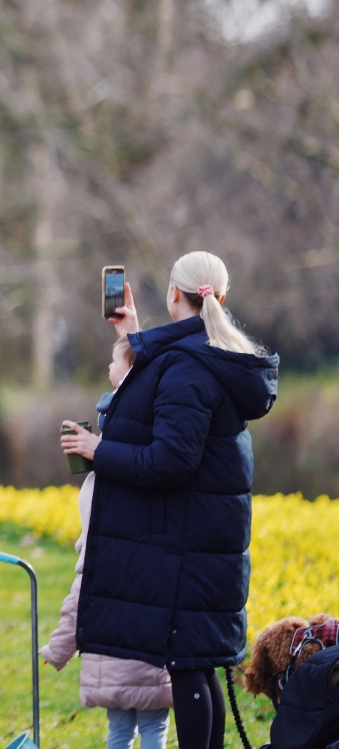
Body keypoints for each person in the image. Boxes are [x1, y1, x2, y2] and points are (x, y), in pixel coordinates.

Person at [60, 250, 280, 749]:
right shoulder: (209, 355)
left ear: (173, 294)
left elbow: (170, 460)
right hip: (203, 536)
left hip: (187, 543)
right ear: (221, 298)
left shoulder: (190, 368)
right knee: (199, 664)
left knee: (189, 667)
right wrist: (130, 332)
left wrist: (99, 449)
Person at [41, 345, 172, 749]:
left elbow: (81, 596)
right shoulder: (156, 535)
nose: (107, 366)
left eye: (114, 362)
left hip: (111, 655)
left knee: (119, 732)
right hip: (154, 652)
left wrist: (58, 648)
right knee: (154, 730)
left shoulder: (102, 549)